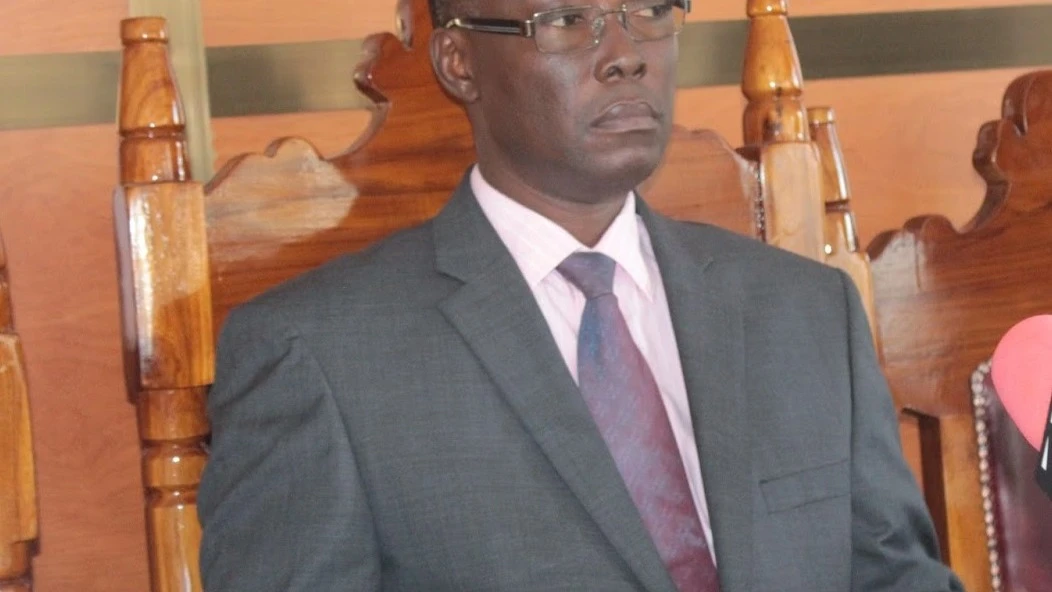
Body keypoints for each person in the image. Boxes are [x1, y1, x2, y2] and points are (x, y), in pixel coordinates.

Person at [197, 0, 965, 590]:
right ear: (460, 61)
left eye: (652, 13)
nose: (627, 56)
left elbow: (893, 575)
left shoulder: (806, 311)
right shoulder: (321, 357)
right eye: (568, 20)